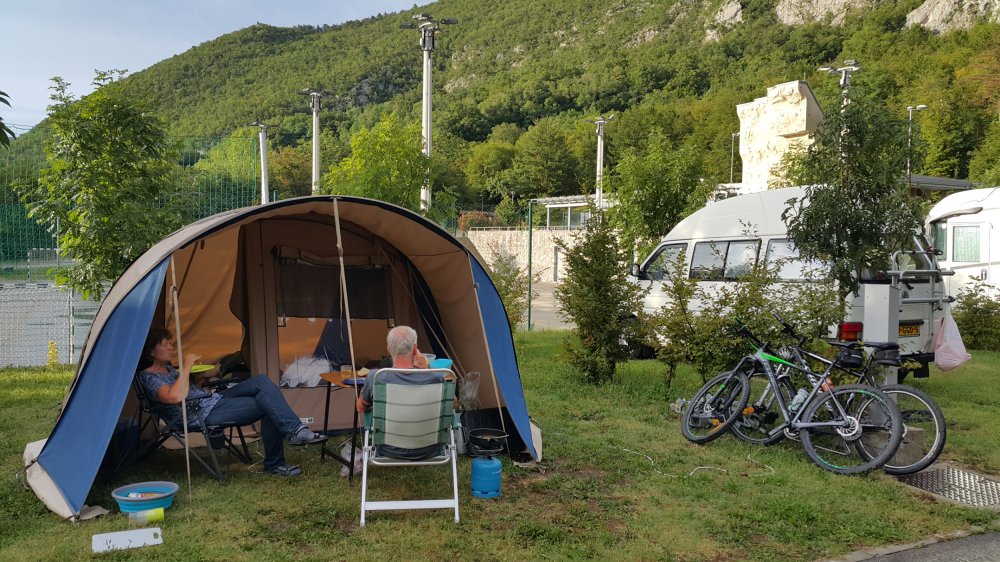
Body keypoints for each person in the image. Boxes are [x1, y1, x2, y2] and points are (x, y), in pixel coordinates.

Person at [138, 327, 327, 477]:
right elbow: (174, 397)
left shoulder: (170, 370)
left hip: (211, 401)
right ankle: (277, 459)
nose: (171, 347)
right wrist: (186, 366)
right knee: (269, 405)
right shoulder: (149, 377)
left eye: (171, 343)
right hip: (198, 413)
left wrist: (198, 378)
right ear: (151, 351)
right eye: (166, 344)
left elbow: (189, 387)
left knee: (261, 382)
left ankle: (295, 431)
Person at [355, 325, 453, 460]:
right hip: (430, 448)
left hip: (387, 448)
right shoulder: (435, 377)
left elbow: (360, 408)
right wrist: (427, 369)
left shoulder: (376, 377)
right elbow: (452, 404)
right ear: (415, 349)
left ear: (388, 349)